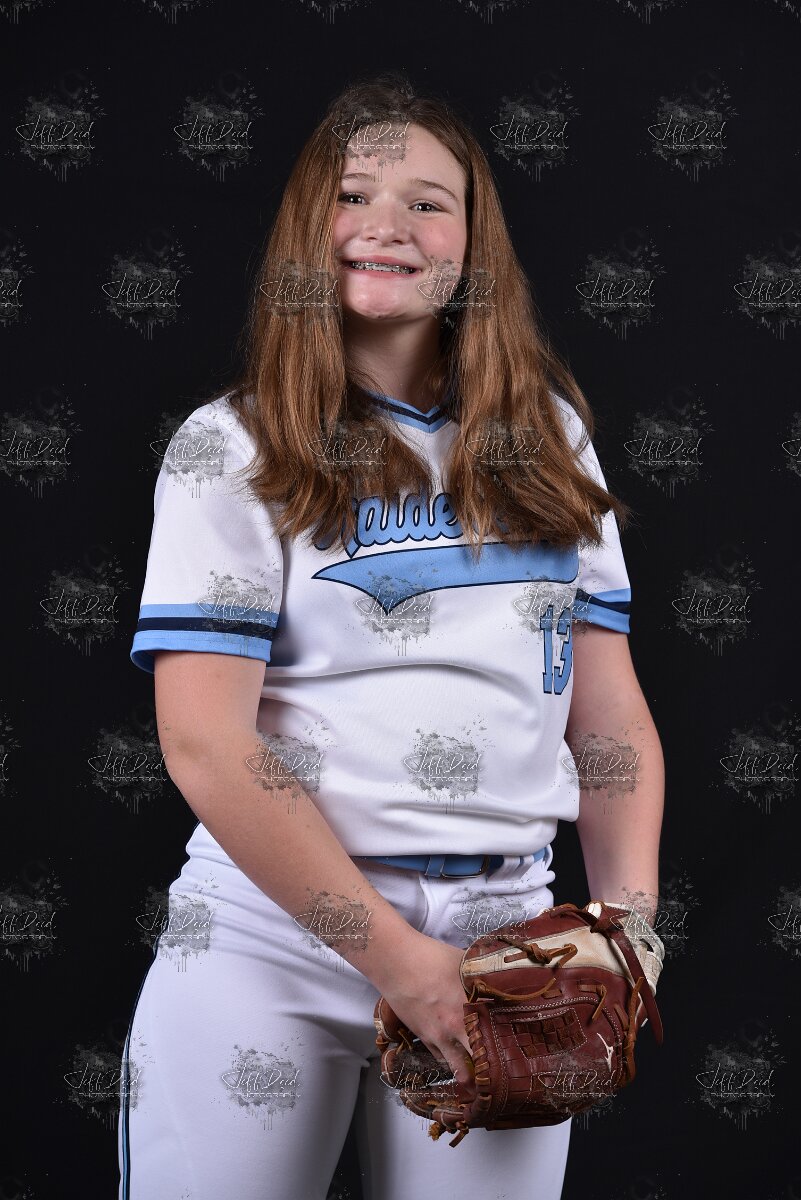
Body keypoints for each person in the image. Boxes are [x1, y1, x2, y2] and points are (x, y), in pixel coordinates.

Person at [118, 72, 664, 1200]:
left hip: (506, 939)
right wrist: (401, 964)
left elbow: (607, 718)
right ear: (304, 228)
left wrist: (628, 926)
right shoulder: (232, 444)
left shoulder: (548, 438)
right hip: (271, 937)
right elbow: (207, 743)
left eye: (429, 202)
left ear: (474, 242)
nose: (388, 225)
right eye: (353, 194)